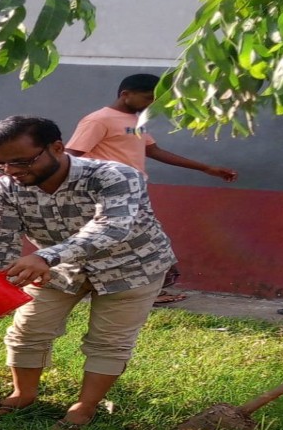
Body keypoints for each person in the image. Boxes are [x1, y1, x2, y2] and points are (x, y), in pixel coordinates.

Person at [0, 116, 176, 430]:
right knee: (28, 330)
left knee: (109, 342)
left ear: (57, 148)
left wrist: (45, 256)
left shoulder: (115, 175)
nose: (11, 171)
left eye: (22, 161)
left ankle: (85, 406)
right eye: (0, 164)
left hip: (132, 267)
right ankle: (22, 395)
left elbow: (112, 228)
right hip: (57, 270)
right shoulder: (4, 188)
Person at [66, 73, 237, 304]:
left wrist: (206, 168)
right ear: (126, 94)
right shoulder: (98, 120)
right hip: (110, 194)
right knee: (143, 241)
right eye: (148, 98)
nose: (151, 104)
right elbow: (71, 156)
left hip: (135, 191)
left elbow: (154, 151)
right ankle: (144, 291)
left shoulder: (135, 121)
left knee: (141, 241)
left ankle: (146, 291)